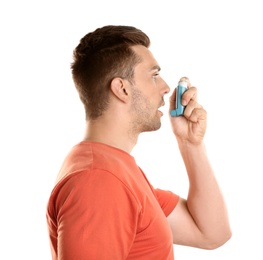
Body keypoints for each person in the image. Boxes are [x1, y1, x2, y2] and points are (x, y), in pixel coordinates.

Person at [46, 25, 232, 259]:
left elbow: (211, 233)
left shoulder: (116, 170)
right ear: (122, 89)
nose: (165, 88)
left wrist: (190, 143)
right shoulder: (98, 179)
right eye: (154, 76)